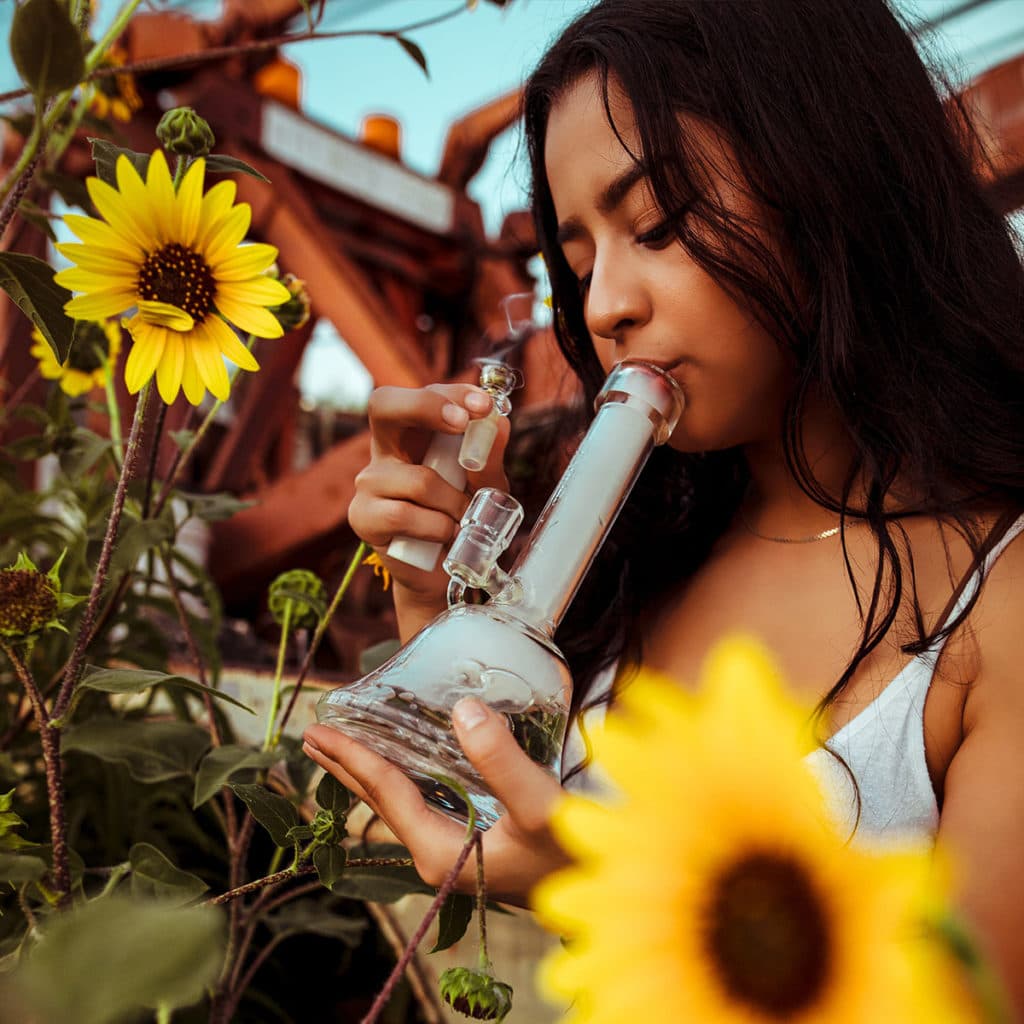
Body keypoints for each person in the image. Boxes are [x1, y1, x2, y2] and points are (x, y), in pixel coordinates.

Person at [303, 0, 1024, 1011]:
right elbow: (432, 817)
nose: (602, 307)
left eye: (657, 223)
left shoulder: (1002, 600)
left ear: (832, 179)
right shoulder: (633, 555)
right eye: (582, 254)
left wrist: (599, 880)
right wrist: (444, 622)